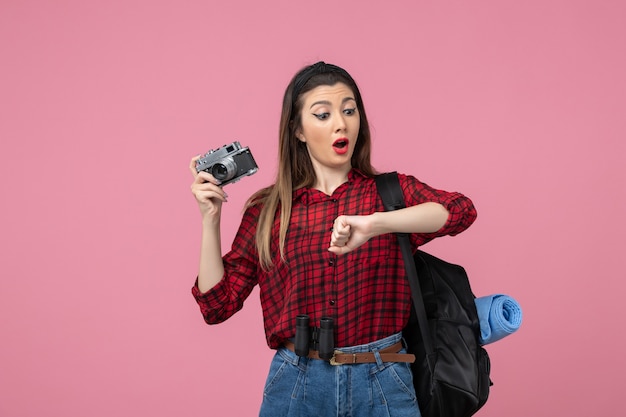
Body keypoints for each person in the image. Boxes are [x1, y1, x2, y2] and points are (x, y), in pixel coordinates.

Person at [189, 61, 477, 417]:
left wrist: (376, 224)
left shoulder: (388, 193)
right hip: (296, 384)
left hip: (384, 378)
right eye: (323, 114)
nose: (341, 123)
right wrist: (210, 219)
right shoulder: (269, 211)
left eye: (349, 110)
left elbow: (459, 210)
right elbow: (217, 306)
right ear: (298, 130)